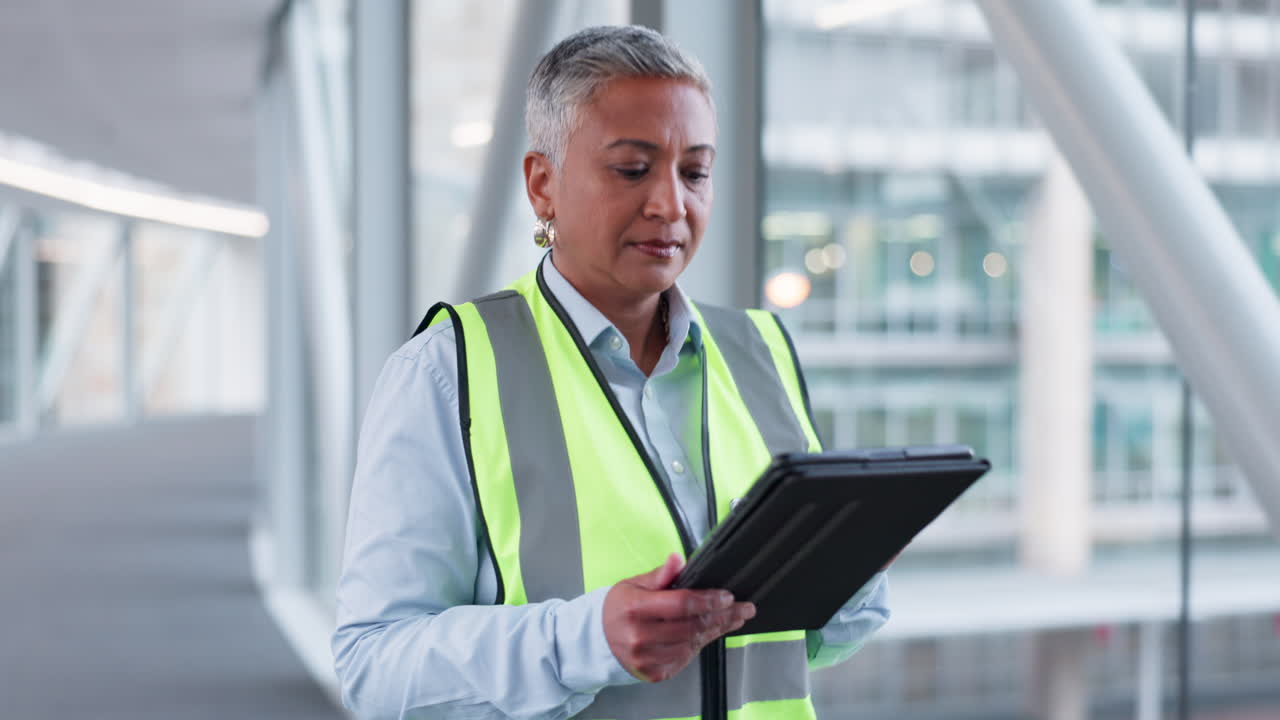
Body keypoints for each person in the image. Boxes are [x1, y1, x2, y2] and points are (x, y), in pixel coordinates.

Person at [332, 25, 889, 720]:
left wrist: (853, 568)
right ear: (543, 185)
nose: (670, 205)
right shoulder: (449, 371)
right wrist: (584, 640)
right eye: (632, 169)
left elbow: (821, 638)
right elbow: (374, 666)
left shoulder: (762, 351)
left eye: (695, 172)